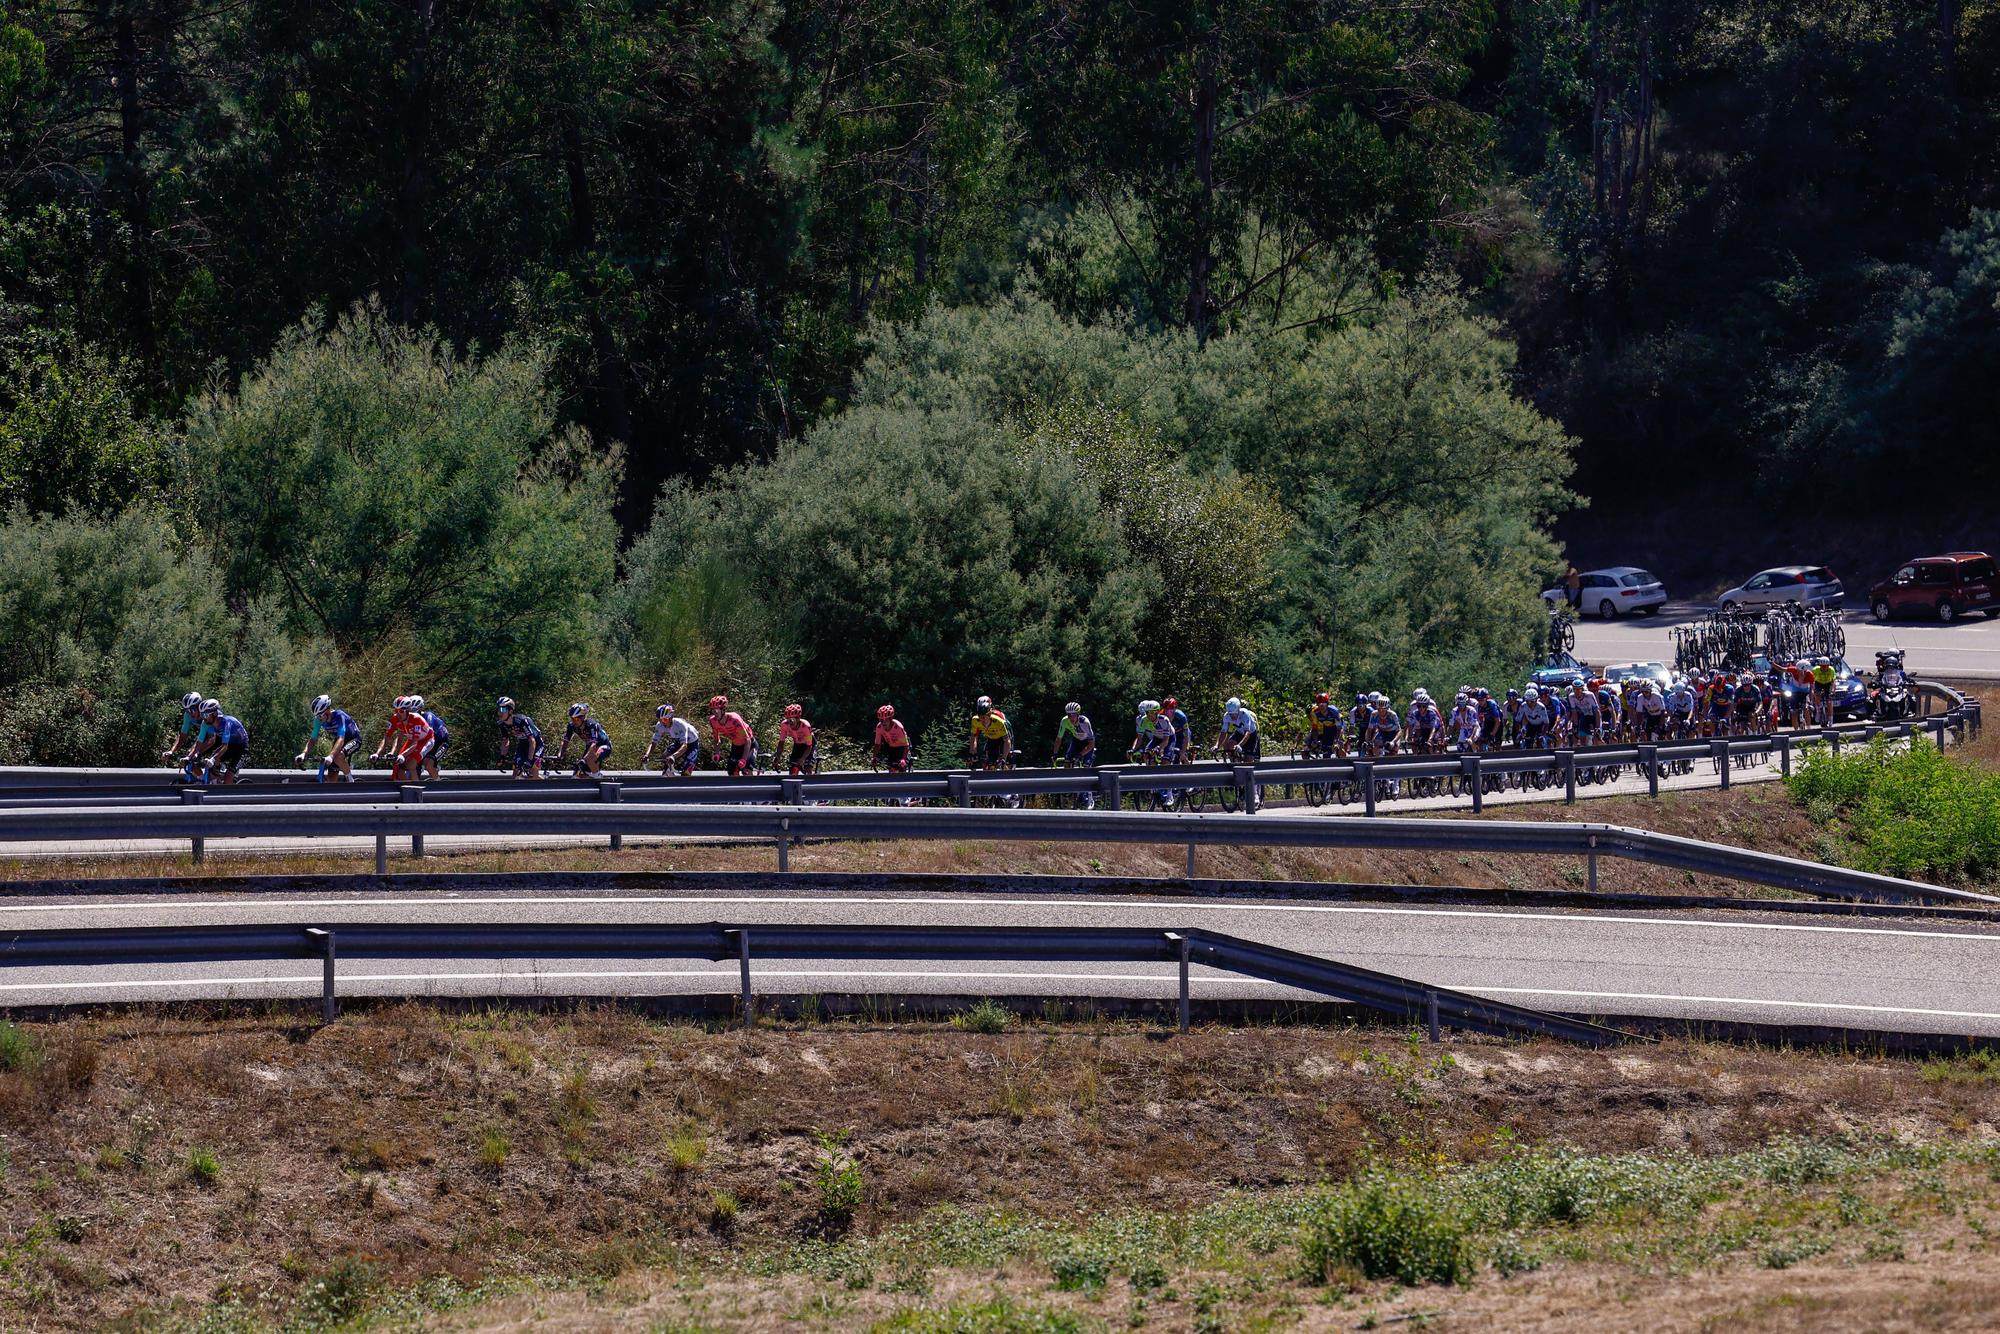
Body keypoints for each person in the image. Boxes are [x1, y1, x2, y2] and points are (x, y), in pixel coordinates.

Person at [296, 694, 362, 782]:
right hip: (339, 740)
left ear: (327, 711)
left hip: (354, 739)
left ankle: (351, 781)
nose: (318, 718)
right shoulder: (318, 720)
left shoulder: (339, 716)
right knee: (331, 778)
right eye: (316, 716)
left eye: (319, 715)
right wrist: (304, 754)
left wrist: (331, 756)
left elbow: (341, 738)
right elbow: (313, 739)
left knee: (338, 757)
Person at [370, 696, 435, 781]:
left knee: (411, 764)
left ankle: (417, 790)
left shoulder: (416, 719)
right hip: (412, 740)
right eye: (396, 710)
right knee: (399, 767)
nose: (398, 714)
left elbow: (415, 743)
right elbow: (387, 738)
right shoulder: (394, 719)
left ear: (408, 711)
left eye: (401, 711)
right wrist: (378, 753)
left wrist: (402, 755)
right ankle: (406, 789)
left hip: (425, 740)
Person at [196, 699, 249, 784]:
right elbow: (204, 741)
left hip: (241, 747)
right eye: (201, 715)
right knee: (212, 766)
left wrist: (213, 759)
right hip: (229, 745)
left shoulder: (226, 722)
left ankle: (231, 793)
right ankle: (217, 781)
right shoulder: (210, 724)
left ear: (215, 714)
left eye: (205, 715)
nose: (203, 718)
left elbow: (225, 746)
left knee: (228, 776)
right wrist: (196, 753)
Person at [642, 704, 702, 775]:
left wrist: (673, 756)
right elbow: (653, 743)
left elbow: (684, 746)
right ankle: (668, 775)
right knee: (665, 756)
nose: (662, 722)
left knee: (686, 772)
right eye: (660, 719)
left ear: (671, 717)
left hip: (692, 743)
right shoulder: (659, 725)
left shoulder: (680, 725)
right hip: (679, 741)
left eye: (665, 719)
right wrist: (647, 755)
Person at [556, 702, 613, 776]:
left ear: (583, 717)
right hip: (590, 747)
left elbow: (594, 743)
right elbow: (565, 741)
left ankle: (599, 778)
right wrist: (560, 755)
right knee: (580, 771)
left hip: (603, 746)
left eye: (576, 718)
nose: (574, 721)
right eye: (572, 718)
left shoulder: (591, 724)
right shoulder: (571, 726)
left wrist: (585, 758)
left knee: (589, 760)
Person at [495, 697, 545, 780]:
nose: (500, 712)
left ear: (510, 711)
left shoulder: (521, 720)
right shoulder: (501, 724)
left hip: (536, 744)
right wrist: (502, 756)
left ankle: (546, 787)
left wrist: (529, 760)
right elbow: (505, 740)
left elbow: (532, 741)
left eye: (503, 709)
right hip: (523, 744)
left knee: (532, 774)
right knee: (515, 775)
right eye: (499, 709)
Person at [708, 695, 757, 776]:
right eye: (712, 710)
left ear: (723, 710)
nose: (714, 712)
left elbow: (747, 740)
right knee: (731, 770)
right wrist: (716, 753)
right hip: (736, 746)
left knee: (746, 770)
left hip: (749, 745)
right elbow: (717, 739)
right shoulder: (713, 721)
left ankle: (751, 786)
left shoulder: (735, 720)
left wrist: (744, 759)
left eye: (716, 710)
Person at [161, 690, 208, 764]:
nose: (190, 713)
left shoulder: (207, 715)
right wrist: (171, 751)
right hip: (204, 737)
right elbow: (182, 736)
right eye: (187, 710)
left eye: (192, 709)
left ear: (199, 706)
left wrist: (192, 752)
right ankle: (200, 776)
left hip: (217, 737)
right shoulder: (188, 715)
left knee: (191, 754)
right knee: (189, 758)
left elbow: (210, 738)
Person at [967, 695, 1012, 769]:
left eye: (984, 717)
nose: (982, 720)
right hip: (991, 738)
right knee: (988, 765)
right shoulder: (975, 720)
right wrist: (973, 754)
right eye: (980, 717)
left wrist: (1004, 758)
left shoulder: (998, 720)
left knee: (1005, 764)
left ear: (989, 714)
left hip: (1003, 739)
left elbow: (1007, 740)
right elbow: (973, 738)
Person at [414, 696, 450, 780]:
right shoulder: (412, 720)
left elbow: (428, 734)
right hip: (430, 741)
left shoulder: (428, 716)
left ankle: (438, 784)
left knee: (428, 765)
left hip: (441, 741)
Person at [775, 703, 817, 776]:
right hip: (797, 744)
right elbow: (781, 742)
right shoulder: (784, 725)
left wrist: (803, 758)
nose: (789, 722)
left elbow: (809, 746)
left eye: (792, 719)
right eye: (787, 719)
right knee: (793, 768)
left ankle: (811, 782)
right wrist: (777, 757)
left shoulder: (805, 726)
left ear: (798, 718)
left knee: (807, 767)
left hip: (809, 745)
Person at [1215, 697, 1261, 761]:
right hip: (1239, 732)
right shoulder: (1226, 716)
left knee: (1248, 759)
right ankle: (1234, 761)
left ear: (1239, 710)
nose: (1232, 716)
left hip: (1251, 734)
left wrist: (1239, 745)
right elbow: (1223, 733)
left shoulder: (1245, 714)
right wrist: (1217, 746)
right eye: (1230, 714)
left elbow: (1247, 733)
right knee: (1229, 745)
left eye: (1234, 714)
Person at [871, 704, 912, 772]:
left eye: (885, 720)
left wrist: (903, 759)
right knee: (892, 769)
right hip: (892, 747)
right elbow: (877, 744)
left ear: (890, 719)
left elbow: (906, 745)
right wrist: (874, 757)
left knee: (901, 767)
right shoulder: (879, 727)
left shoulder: (898, 727)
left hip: (903, 747)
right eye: (881, 720)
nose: (883, 722)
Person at [1306, 691, 1346, 758]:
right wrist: (1315, 741)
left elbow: (1339, 729)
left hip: (1338, 727)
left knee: (1339, 745)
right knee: (1326, 750)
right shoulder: (1315, 712)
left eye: (1323, 704)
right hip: (1327, 728)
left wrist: (1336, 741)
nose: (1321, 707)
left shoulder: (1334, 711)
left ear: (1327, 704)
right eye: (1319, 704)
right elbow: (1314, 729)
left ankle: (1342, 757)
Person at [1054, 702, 1095, 767]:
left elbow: (1091, 744)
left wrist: (1081, 754)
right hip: (1076, 740)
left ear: (1078, 714)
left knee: (1086, 766)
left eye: (1074, 715)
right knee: (1067, 761)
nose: (1071, 717)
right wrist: (1055, 753)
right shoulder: (1064, 721)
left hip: (1087, 742)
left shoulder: (1085, 722)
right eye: (1069, 715)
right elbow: (1059, 738)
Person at [1162, 697, 1192, 764]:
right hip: (1171, 735)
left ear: (1174, 709)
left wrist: (1183, 751)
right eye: (1165, 709)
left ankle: (1188, 767)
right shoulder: (1161, 715)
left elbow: (1186, 736)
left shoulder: (1181, 717)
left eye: (1169, 710)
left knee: (1182, 755)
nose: (1167, 712)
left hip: (1182, 735)